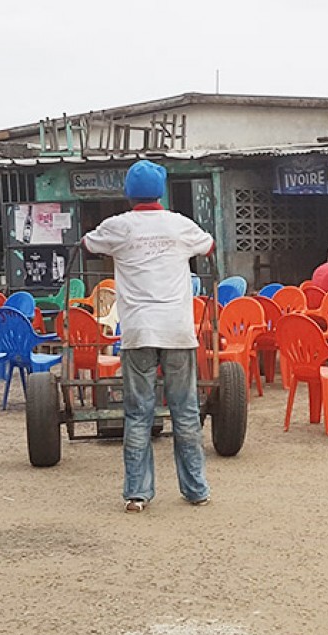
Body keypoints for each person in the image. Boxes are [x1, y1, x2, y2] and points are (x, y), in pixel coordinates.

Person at [81, 160, 214, 514]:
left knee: (138, 413)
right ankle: (196, 489)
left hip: (138, 331)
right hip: (177, 330)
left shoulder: (119, 226)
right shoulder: (179, 224)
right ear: (162, 191)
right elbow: (208, 246)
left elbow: (88, 243)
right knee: (185, 411)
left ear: (128, 192)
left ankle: (137, 494)